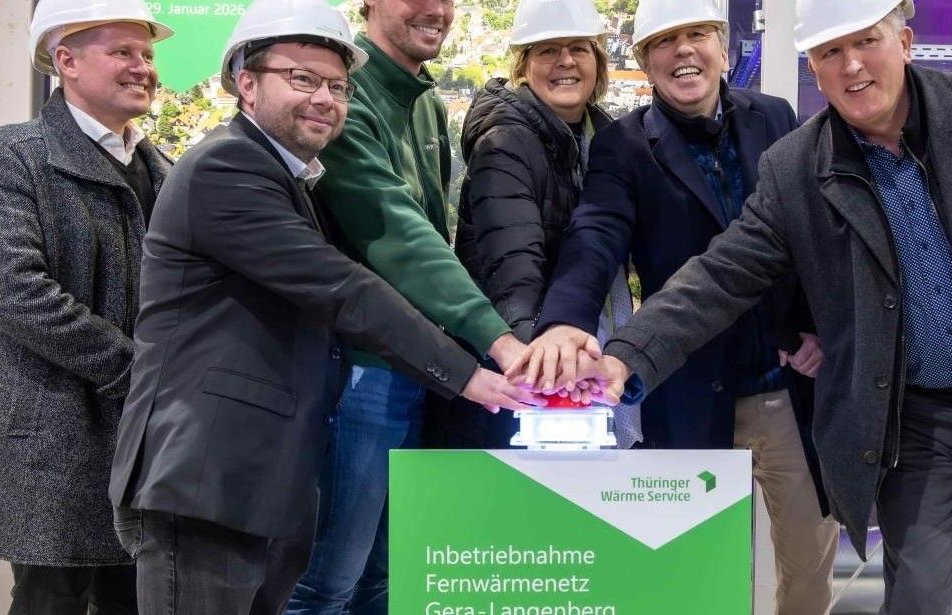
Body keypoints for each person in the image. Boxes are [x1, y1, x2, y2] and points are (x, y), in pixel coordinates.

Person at [537, 0, 952, 613]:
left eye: (866, 42)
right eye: (831, 52)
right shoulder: (797, 166)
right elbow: (721, 274)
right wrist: (625, 356)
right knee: (915, 599)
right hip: (909, 420)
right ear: (814, 69)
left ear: (905, 43)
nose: (852, 65)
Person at [106, 1, 536, 612]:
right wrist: (470, 372)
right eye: (302, 79)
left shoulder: (289, 175)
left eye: (337, 86)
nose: (324, 100)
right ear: (246, 83)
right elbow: (342, 288)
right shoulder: (228, 166)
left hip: (253, 479)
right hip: (205, 478)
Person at [515, 0, 838, 610]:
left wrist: (814, 327)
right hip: (690, 389)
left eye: (696, 34)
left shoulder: (775, 117)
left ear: (723, 48)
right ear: (644, 61)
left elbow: (814, 233)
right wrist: (563, 323)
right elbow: (595, 234)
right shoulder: (624, 145)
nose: (683, 50)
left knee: (808, 564)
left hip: (787, 386)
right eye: (664, 40)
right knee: (700, 576)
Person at [286, 0, 530, 610]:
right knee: (327, 580)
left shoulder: (424, 101)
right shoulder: (346, 97)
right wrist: (497, 339)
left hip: (421, 364)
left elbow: (436, 233)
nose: (435, 9)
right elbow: (399, 234)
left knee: (387, 577)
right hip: (360, 369)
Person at [0, 0, 172, 611]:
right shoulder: (11, 156)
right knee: (50, 598)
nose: (143, 67)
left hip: (147, 437)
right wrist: (139, 370)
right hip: (52, 436)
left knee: (137, 599)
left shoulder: (163, 168)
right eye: (122, 52)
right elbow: (15, 291)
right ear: (66, 61)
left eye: (147, 53)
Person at [453, 0, 642, 447]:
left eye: (579, 48)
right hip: (520, 371)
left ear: (598, 61)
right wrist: (541, 363)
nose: (566, 61)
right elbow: (512, 266)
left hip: (570, 356)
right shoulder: (506, 141)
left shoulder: (603, 138)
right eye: (548, 50)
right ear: (524, 66)